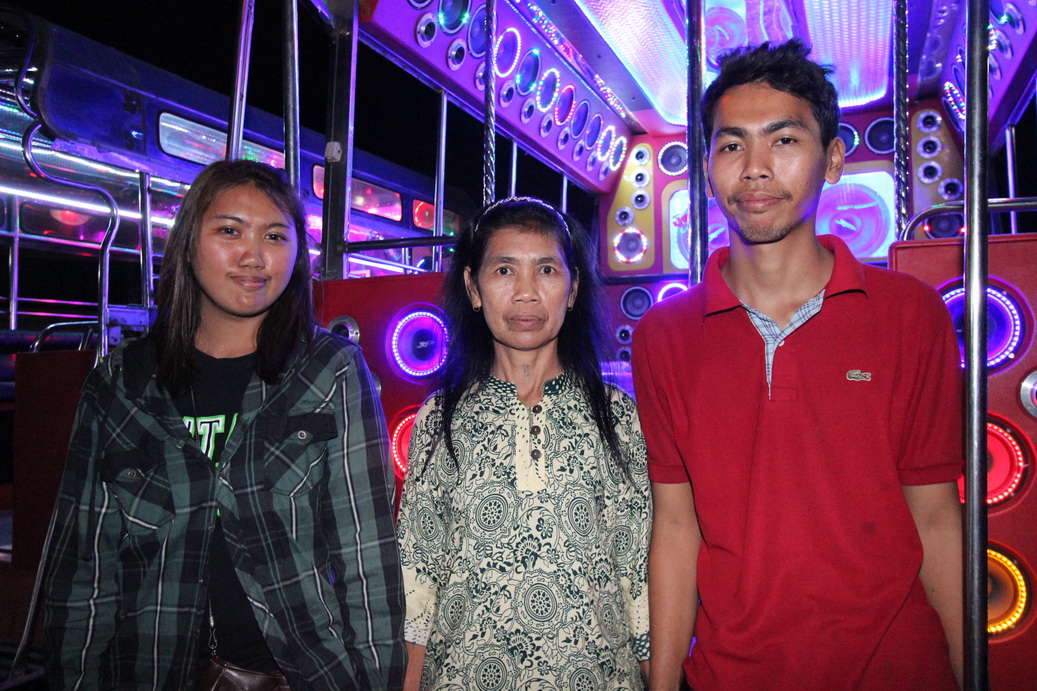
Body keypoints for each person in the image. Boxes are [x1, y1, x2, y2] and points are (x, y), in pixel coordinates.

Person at [634, 40, 963, 690]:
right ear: (707, 167)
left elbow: (935, 517)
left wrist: (969, 672)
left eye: (783, 140)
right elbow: (675, 525)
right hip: (730, 674)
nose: (755, 168)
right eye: (731, 145)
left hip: (896, 670)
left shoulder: (909, 314)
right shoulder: (663, 336)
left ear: (833, 159)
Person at [43, 159, 406, 689]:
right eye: (230, 231)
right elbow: (83, 569)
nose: (253, 257)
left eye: (275, 236)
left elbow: (365, 555)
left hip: (299, 674)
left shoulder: (329, 371)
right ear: (188, 243)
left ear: (297, 257)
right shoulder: (122, 382)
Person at [396, 197, 651, 689]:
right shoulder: (439, 418)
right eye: (504, 270)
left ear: (573, 289)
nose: (526, 293)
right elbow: (417, 583)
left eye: (547, 270)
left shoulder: (618, 417)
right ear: (473, 288)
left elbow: (638, 576)